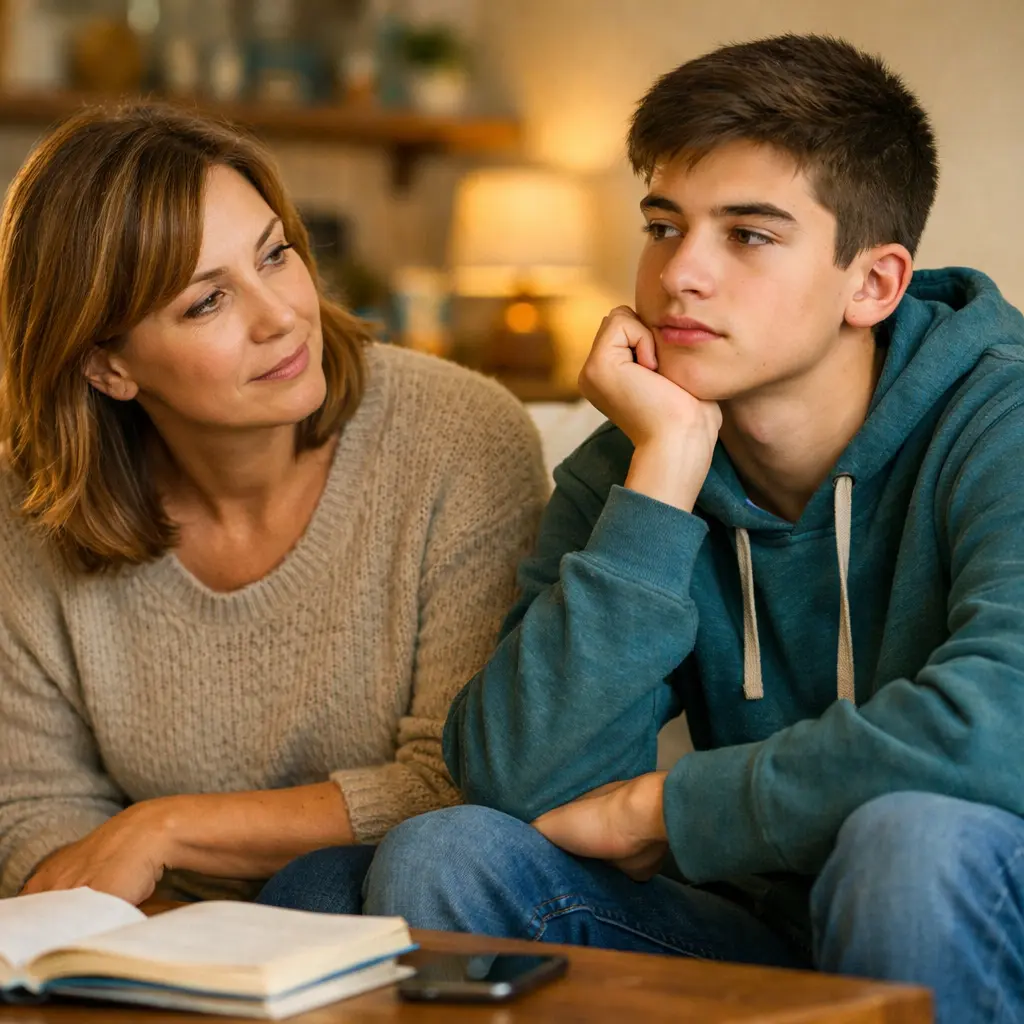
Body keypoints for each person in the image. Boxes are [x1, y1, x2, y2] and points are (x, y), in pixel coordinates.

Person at [363, 34, 1024, 1022]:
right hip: (755, 927)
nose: (680, 276)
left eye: (747, 236)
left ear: (874, 284)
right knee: (446, 851)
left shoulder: (996, 420)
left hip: (965, 904)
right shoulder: (635, 458)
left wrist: (671, 808)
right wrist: (663, 473)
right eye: (664, 226)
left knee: (907, 845)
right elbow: (515, 778)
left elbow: (1001, 727)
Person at [0, 104, 546, 909]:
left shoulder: (458, 437)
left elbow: (458, 786)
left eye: (275, 255)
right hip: (155, 945)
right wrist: (188, 956)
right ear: (106, 367)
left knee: (322, 886)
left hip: (409, 920)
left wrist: (166, 829)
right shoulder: (27, 507)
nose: (282, 315)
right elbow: (37, 816)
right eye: (206, 302)